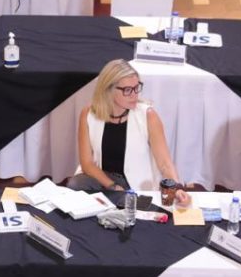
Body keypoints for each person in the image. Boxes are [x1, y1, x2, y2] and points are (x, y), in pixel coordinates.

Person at [70, 59, 188, 201]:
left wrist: (177, 188)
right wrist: (112, 186)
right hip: (103, 179)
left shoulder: (148, 115)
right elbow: (87, 163)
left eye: (136, 88)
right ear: (108, 90)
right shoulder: (88, 114)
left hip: (134, 184)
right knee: (75, 185)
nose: (134, 95)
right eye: (127, 90)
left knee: (123, 202)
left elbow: (165, 163)